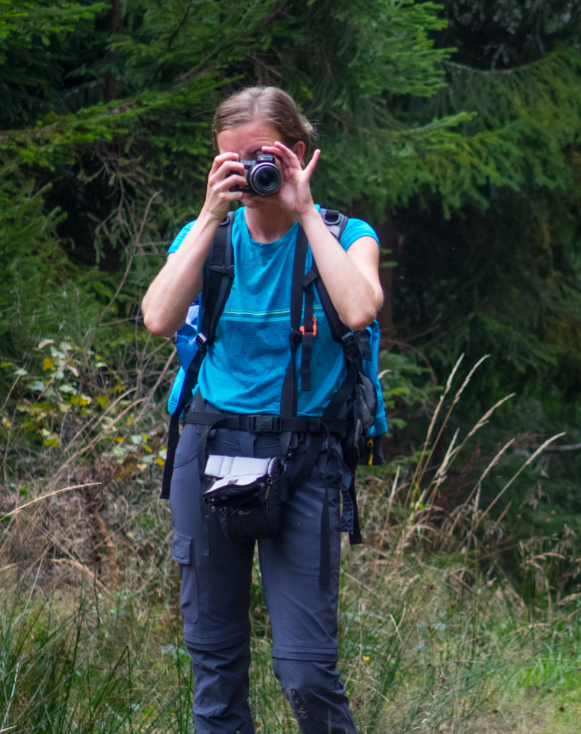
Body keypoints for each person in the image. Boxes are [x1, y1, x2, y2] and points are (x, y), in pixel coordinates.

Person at [142, 86, 383, 734]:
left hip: (307, 459)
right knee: (215, 667)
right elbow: (158, 317)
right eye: (233, 161)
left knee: (306, 670)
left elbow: (360, 306)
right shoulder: (207, 238)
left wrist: (304, 213)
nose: (251, 173)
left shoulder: (345, 235)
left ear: (297, 153)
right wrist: (208, 214)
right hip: (211, 448)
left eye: (263, 157)